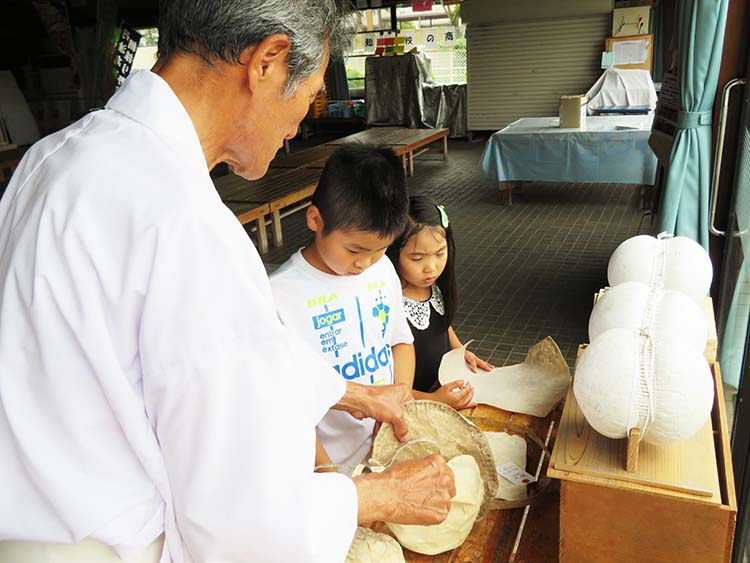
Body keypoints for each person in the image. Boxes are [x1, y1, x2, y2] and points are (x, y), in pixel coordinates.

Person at [0, 3, 456, 563]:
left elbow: (214, 356)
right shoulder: (186, 223)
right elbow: (236, 516)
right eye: (309, 93)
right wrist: (381, 494)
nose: (298, 124)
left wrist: (352, 394)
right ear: (267, 61)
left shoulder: (52, 159)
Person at [270, 144, 415, 470]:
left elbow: (400, 343)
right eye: (354, 249)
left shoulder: (382, 270)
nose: (364, 263)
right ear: (315, 219)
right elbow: (285, 406)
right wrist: (329, 475)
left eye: (380, 249)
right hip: (328, 467)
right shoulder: (279, 296)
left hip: (386, 454)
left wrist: (398, 398)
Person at [386, 193, 493, 410]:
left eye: (440, 253)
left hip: (443, 389)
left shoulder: (433, 285)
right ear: (391, 252)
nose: (431, 267)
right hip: (416, 406)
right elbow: (393, 389)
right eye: (417, 258)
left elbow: (441, 325)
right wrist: (435, 400)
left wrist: (460, 351)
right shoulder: (389, 305)